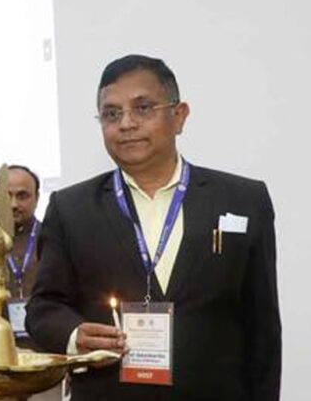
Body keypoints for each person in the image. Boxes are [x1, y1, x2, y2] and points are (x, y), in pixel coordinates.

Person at [25, 54, 281, 401]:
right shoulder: (71, 208)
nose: (126, 123)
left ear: (179, 116)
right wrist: (73, 334)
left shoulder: (243, 199)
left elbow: (263, 328)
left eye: (143, 108)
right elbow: (43, 308)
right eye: (111, 114)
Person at [0, 165, 62, 401]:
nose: (13, 204)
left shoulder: (55, 238)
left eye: (22, 195)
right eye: (6, 195)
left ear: (37, 197)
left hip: (44, 360)